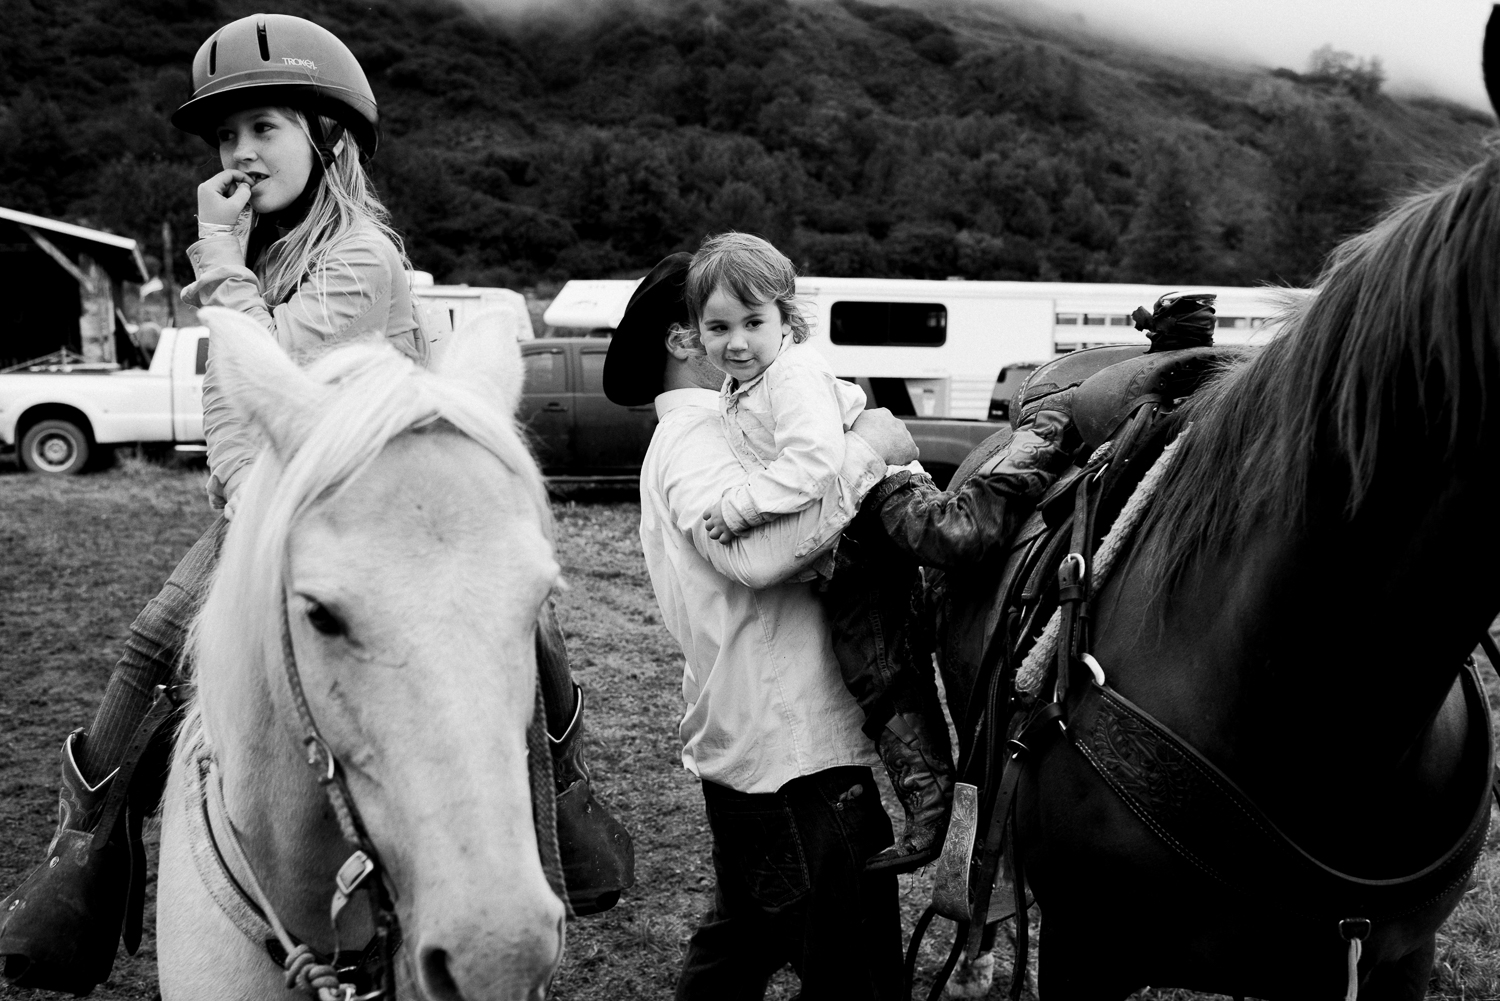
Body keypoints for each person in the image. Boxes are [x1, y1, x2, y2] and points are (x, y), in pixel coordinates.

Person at [0, 15, 629, 994]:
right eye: (225, 138)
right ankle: (74, 863)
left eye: (265, 128)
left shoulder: (360, 255)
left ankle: (562, 831)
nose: (240, 155)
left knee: (519, 638)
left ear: (329, 138)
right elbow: (235, 424)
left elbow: (260, 375)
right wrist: (234, 271)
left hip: (378, 507)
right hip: (272, 503)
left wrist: (218, 259)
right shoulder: (271, 257)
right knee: (151, 644)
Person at [684, 232, 954, 872]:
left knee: (948, 557)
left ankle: (1027, 474)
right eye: (719, 327)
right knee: (874, 667)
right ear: (697, 332)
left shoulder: (793, 375)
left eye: (754, 322)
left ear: (786, 319)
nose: (738, 341)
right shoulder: (737, 393)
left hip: (876, 497)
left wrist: (739, 506)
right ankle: (930, 802)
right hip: (848, 528)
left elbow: (813, 462)